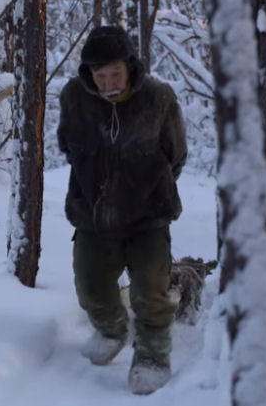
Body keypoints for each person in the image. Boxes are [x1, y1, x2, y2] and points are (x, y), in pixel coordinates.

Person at [57, 24, 187, 395]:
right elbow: (67, 143)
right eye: (100, 75)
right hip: (92, 213)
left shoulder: (159, 97)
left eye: (116, 72)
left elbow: (175, 153)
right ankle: (113, 330)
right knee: (90, 285)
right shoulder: (73, 97)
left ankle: (152, 355)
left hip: (148, 215)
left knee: (151, 291)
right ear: (89, 75)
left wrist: (144, 185)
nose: (109, 81)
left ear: (130, 66)